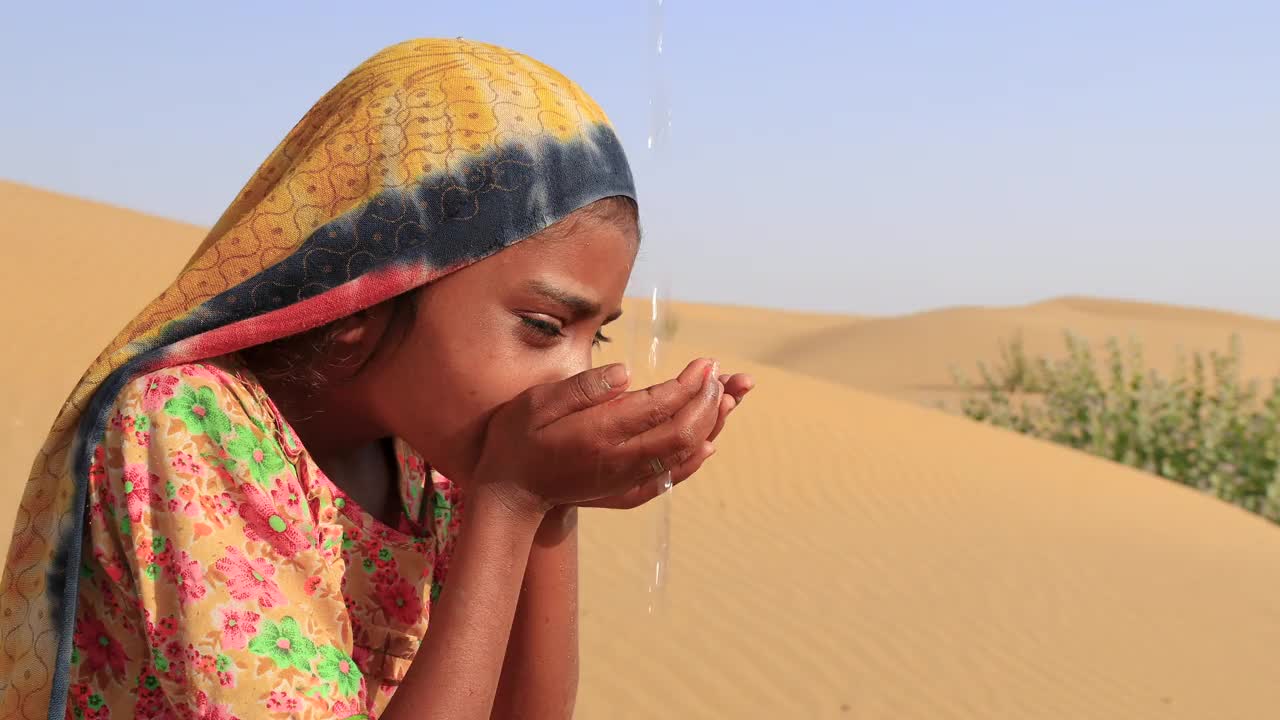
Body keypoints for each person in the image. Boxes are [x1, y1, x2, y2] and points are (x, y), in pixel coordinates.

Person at [0, 38, 753, 720]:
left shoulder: (438, 458)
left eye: (600, 337)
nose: (575, 377)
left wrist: (549, 497)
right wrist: (513, 496)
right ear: (366, 290)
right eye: (544, 328)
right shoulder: (186, 423)